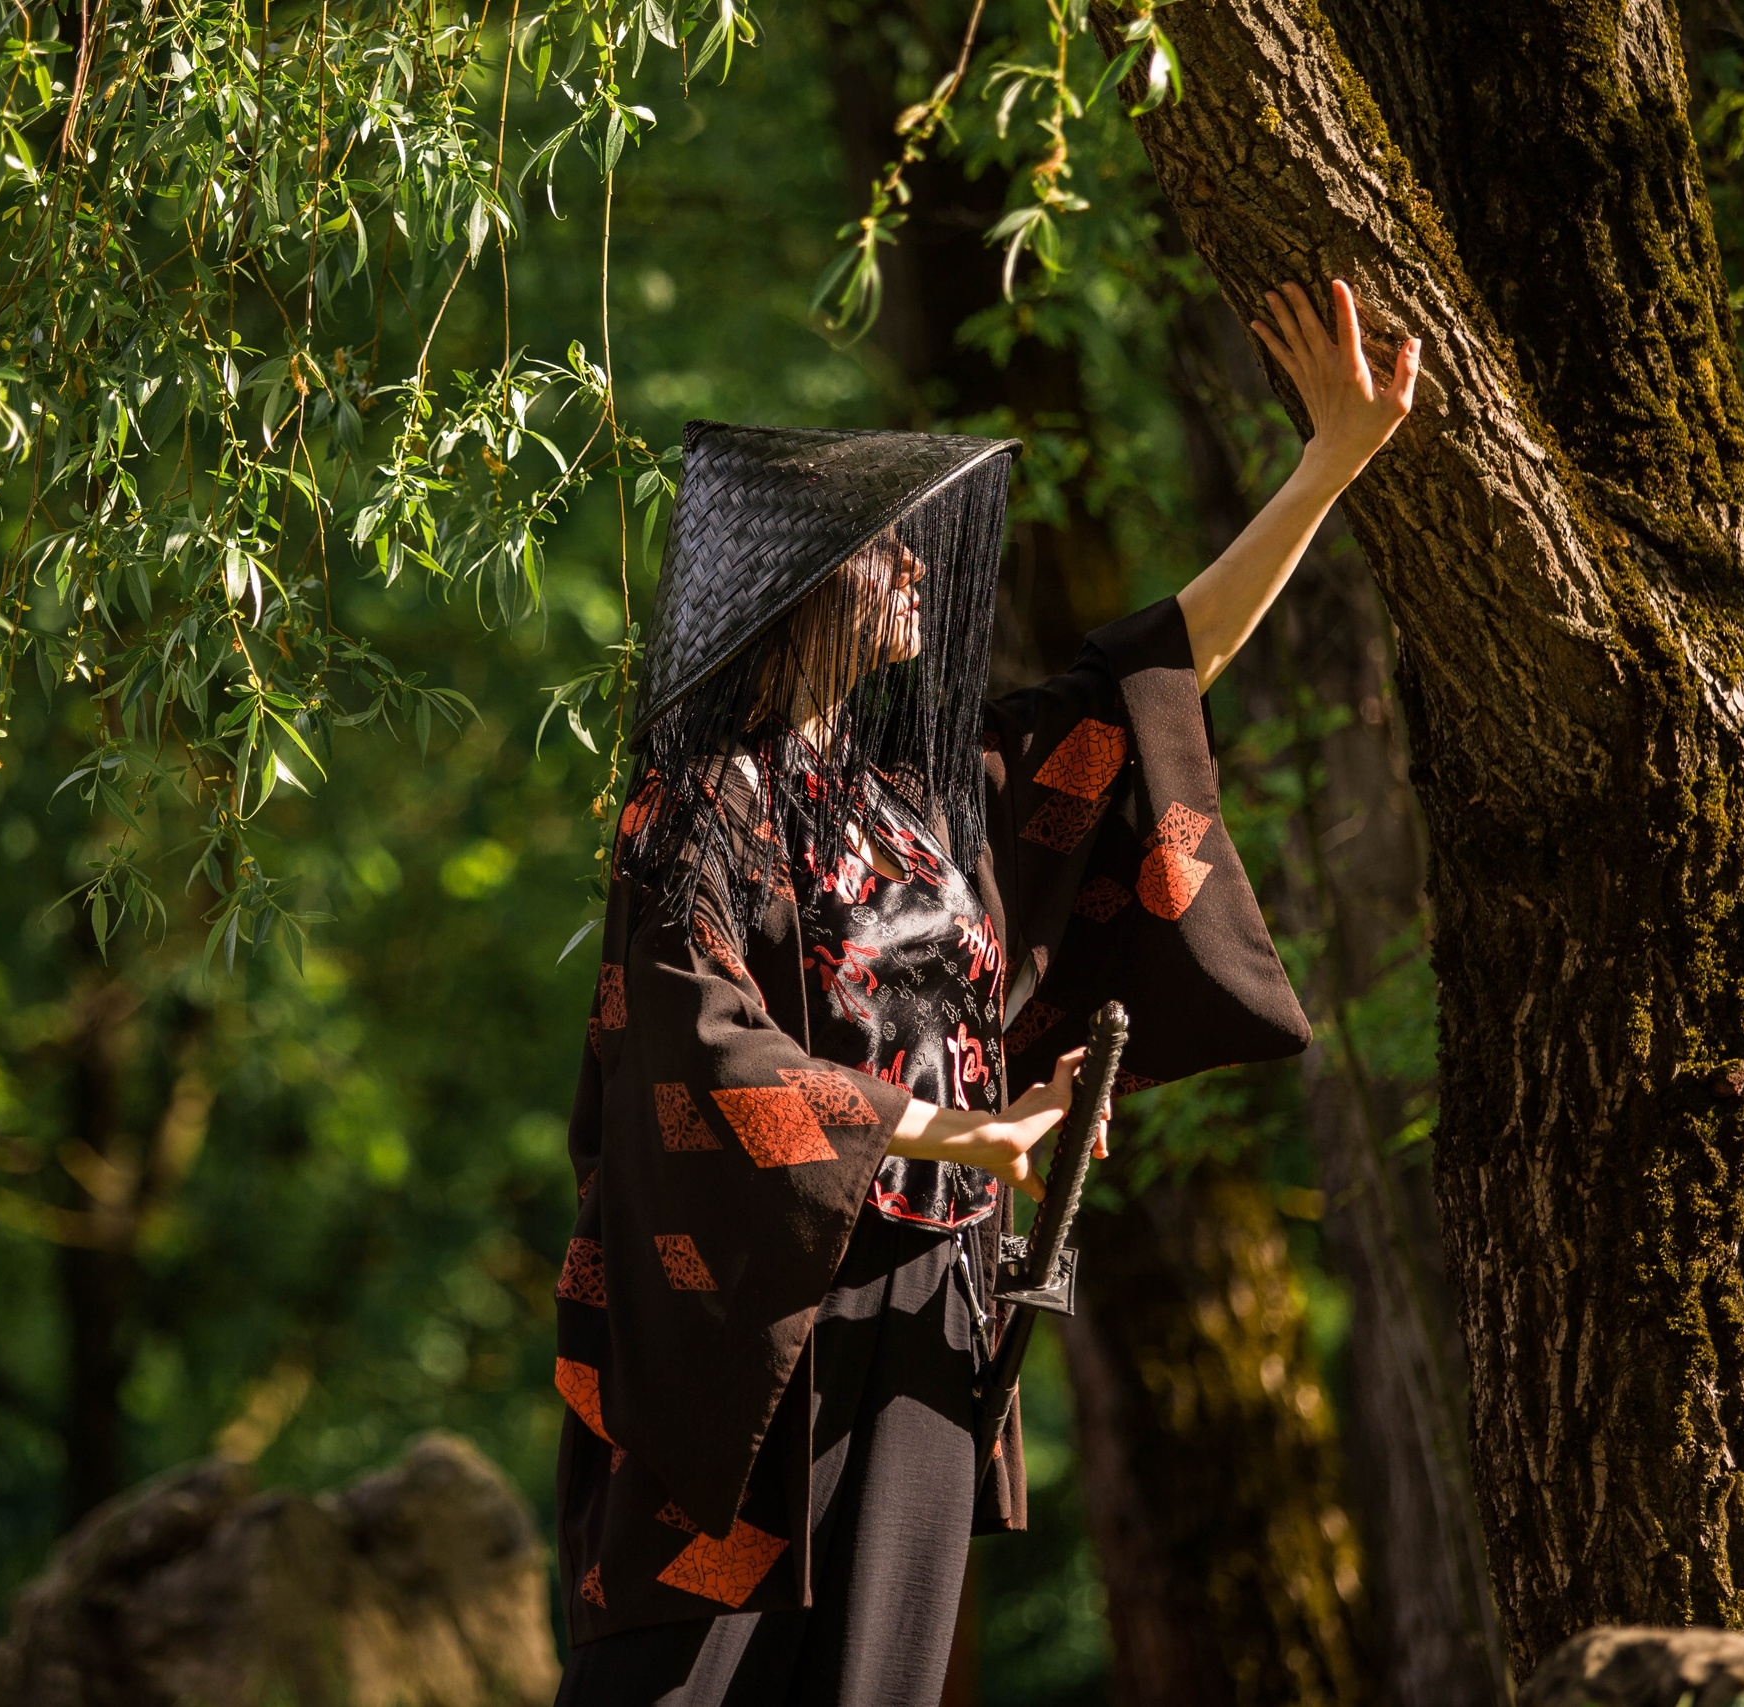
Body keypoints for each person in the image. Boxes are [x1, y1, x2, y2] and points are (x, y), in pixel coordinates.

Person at [552, 280, 1421, 1705]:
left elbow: (1153, 675)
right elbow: (700, 1049)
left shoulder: (932, 802)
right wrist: (959, 1131)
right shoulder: (695, 804)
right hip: (745, 1330)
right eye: (886, 553)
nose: (918, 575)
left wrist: (1330, 461)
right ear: (804, 584)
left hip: (926, 1313)